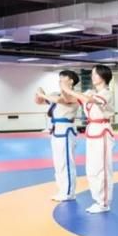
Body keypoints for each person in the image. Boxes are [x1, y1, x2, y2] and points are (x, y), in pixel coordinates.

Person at [61, 64, 115, 214]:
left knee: (102, 168)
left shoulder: (107, 93)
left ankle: (104, 202)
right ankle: (97, 199)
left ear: (103, 76)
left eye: (95, 74)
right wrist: (65, 88)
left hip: (102, 130)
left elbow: (90, 100)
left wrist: (69, 89)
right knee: (91, 168)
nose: (92, 77)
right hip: (92, 130)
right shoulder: (90, 92)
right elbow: (69, 99)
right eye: (92, 74)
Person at [35, 70, 80, 202]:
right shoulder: (55, 94)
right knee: (59, 163)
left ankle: (69, 193)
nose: (60, 80)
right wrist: (39, 91)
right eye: (59, 78)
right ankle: (62, 190)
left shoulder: (74, 96)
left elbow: (61, 100)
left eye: (63, 78)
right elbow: (39, 101)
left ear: (71, 81)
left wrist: (43, 94)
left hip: (66, 130)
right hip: (56, 130)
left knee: (66, 162)